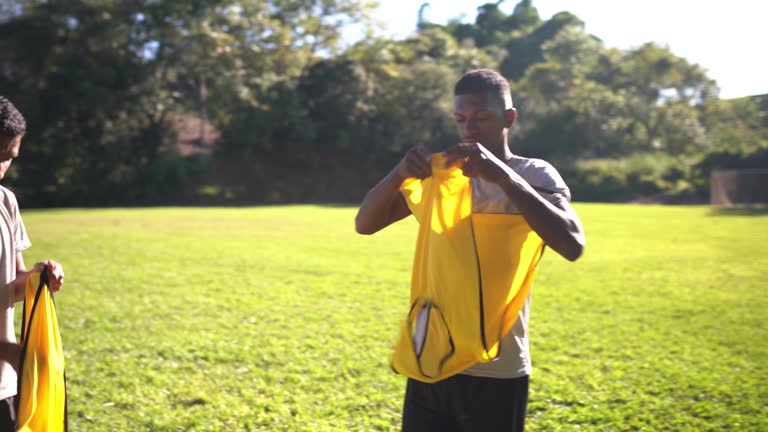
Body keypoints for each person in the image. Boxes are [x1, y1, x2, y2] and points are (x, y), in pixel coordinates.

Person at [355, 69, 585, 431]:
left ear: (509, 117)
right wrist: (399, 173)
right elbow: (365, 223)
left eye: (481, 118)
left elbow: (572, 244)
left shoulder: (534, 173)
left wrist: (505, 178)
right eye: (461, 119)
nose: (469, 128)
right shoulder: (442, 177)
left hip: (498, 363)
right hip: (431, 354)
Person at [0, 96, 65, 431]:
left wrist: (37, 278)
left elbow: (11, 286)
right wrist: (7, 349)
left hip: (4, 385)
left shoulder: (5, 202)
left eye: (6, 159)